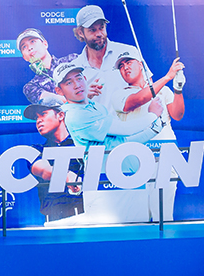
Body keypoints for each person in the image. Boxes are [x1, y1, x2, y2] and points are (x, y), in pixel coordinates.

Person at [52, 61, 164, 224]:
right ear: (59, 90)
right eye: (69, 83)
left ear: (84, 78)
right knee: (106, 240)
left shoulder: (96, 107)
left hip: (132, 182)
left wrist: (155, 128)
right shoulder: (75, 115)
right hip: (104, 187)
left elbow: (122, 142)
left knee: (138, 238)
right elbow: (125, 129)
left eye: (78, 78)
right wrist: (152, 115)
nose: (77, 85)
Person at [111, 48, 186, 221]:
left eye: (129, 62)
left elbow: (177, 115)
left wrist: (177, 89)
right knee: (139, 215)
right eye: (121, 66)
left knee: (164, 214)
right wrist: (167, 77)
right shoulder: (120, 94)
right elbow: (136, 100)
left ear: (141, 65)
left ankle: (166, 245)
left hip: (166, 154)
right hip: (137, 157)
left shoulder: (164, 91)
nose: (125, 68)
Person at [70, 5, 141, 112]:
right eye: (92, 30)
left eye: (101, 28)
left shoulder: (128, 51)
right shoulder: (75, 67)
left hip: (130, 126)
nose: (99, 34)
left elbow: (146, 89)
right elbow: (71, 109)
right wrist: (83, 96)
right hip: (96, 128)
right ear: (81, 33)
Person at [23, 101, 84, 223]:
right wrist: (67, 176)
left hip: (89, 215)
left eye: (43, 114)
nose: (38, 121)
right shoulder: (36, 150)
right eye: (36, 117)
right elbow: (43, 171)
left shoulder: (83, 144)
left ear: (61, 115)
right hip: (54, 221)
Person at [17, 28, 76, 105]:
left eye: (32, 41)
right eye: (24, 47)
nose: (29, 48)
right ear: (24, 57)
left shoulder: (72, 60)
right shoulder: (30, 87)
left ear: (45, 44)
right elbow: (55, 100)